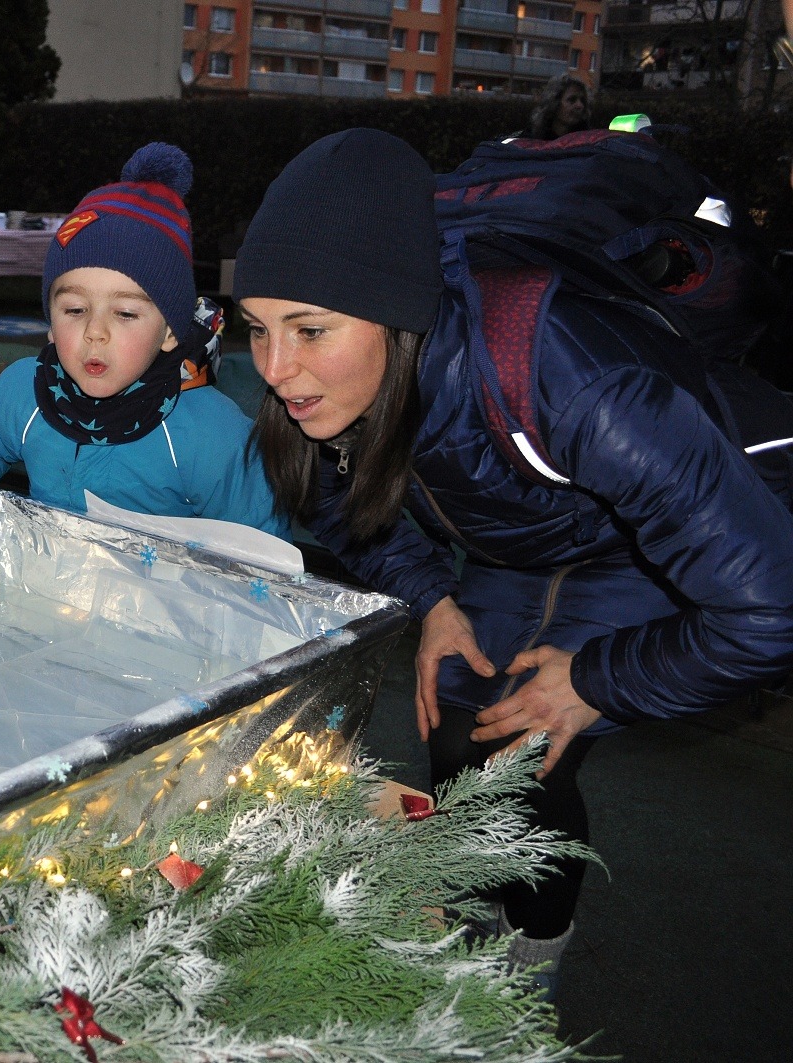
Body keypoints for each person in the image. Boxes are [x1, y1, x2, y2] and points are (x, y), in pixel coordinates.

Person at [231, 128, 793, 994]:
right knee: (458, 742)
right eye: (257, 329)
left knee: (526, 756)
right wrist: (434, 603)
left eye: (310, 329)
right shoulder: (329, 390)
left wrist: (599, 679)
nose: (277, 368)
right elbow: (338, 509)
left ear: (400, 309)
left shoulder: (574, 374)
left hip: (645, 542)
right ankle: (473, 906)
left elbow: (771, 609)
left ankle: (534, 948)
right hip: (518, 535)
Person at [0, 143, 288, 539]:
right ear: (49, 321)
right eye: (75, 310)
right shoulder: (25, 391)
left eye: (126, 313)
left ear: (169, 333)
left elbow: (260, 544)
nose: (95, 332)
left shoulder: (211, 436)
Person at [525, 73, 591, 140]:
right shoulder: (530, 141)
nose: (580, 105)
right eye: (572, 100)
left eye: (582, 100)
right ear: (554, 103)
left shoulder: (588, 142)